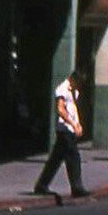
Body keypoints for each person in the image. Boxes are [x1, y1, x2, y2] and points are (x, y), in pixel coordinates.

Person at [32, 69, 88, 199]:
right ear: (72, 79)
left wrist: (77, 124)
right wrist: (73, 124)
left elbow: (73, 109)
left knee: (55, 160)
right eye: (78, 83)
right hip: (64, 130)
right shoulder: (62, 90)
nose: (78, 86)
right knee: (74, 157)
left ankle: (41, 185)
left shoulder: (74, 91)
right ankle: (77, 187)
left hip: (71, 129)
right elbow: (60, 109)